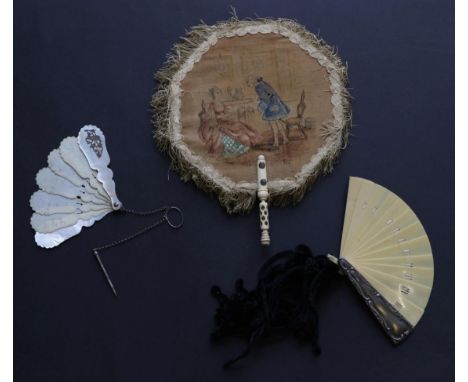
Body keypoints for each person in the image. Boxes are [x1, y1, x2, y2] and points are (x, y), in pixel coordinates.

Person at [198, 87, 262, 157]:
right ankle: (253, 137)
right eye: (216, 92)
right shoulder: (212, 105)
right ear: (213, 94)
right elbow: (212, 118)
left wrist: (226, 113)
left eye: (219, 92)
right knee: (239, 125)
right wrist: (221, 116)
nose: (218, 94)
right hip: (220, 123)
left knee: (240, 124)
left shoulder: (220, 102)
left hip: (225, 121)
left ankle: (253, 139)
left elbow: (226, 110)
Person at [254, 77, 290, 147]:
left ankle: (276, 142)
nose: (248, 82)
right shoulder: (263, 83)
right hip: (276, 103)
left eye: (249, 81)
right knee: (278, 122)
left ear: (254, 81)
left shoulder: (257, 87)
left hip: (271, 105)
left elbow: (265, 97)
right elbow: (270, 93)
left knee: (273, 124)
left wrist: (260, 101)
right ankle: (285, 139)